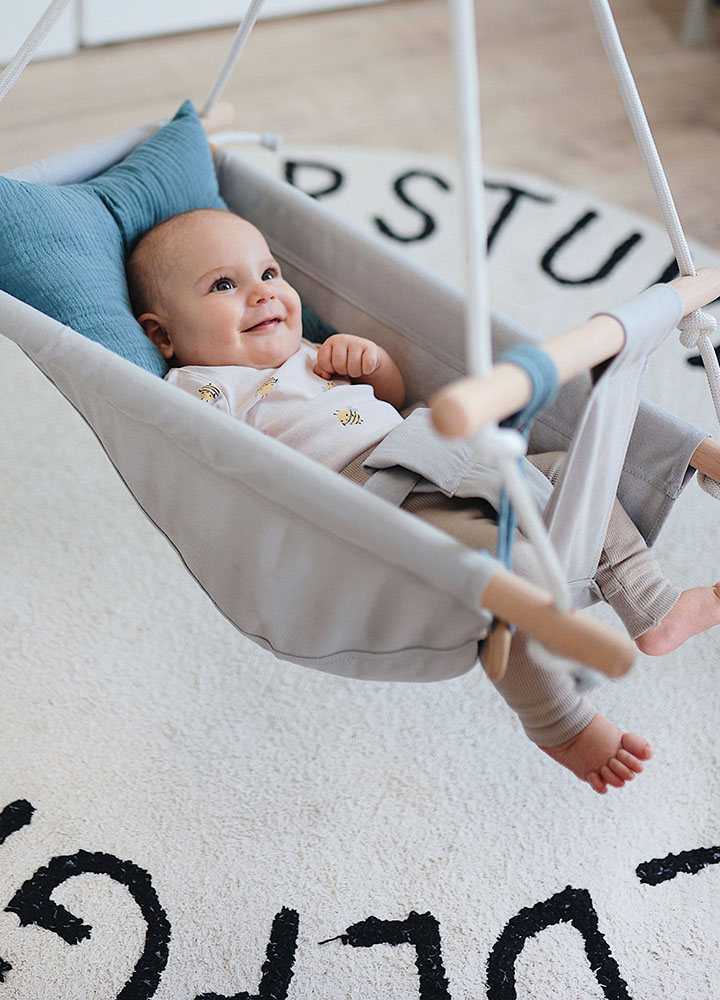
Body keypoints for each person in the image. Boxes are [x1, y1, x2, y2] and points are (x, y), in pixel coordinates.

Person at [126, 207, 720, 794]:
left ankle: (654, 605)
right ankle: (559, 721)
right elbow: (203, 459)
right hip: (374, 498)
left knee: (568, 472)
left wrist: (371, 364)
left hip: (430, 446)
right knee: (498, 577)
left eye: (271, 274)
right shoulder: (197, 389)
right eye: (225, 285)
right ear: (162, 334)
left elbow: (391, 394)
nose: (262, 296)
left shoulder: (309, 351)